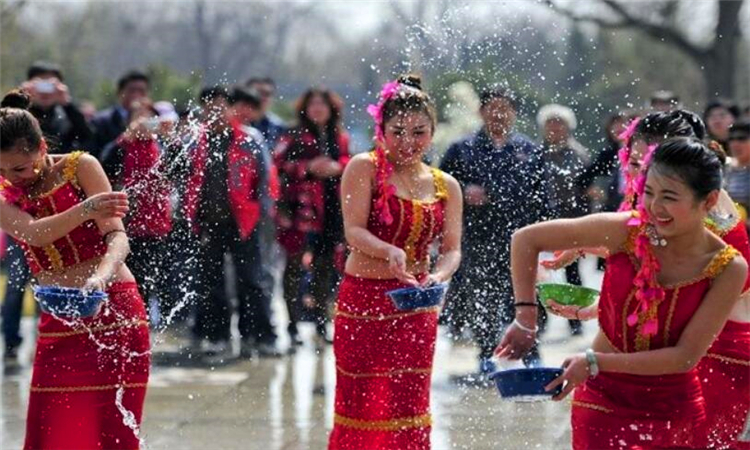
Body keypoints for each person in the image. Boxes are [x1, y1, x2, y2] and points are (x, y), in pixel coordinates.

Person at [497, 137, 748, 449]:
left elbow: (684, 357)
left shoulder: (728, 266)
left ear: (709, 201)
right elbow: (526, 239)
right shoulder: (626, 230)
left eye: (669, 197)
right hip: (603, 398)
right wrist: (525, 318)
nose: (654, 208)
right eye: (648, 193)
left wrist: (593, 362)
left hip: (673, 409)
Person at [0, 89, 150, 450]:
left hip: (115, 308)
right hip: (60, 321)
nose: (11, 177)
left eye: (18, 168)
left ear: (40, 148)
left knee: (114, 433)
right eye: (0, 168)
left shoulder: (81, 166)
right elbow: (34, 234)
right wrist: (86, 209)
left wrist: (100, 278)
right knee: (50, 432)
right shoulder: (1, 191)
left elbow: (118, 238)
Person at [328, 75, 462, 449]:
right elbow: (353, 231)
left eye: (419, 132)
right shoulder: (363, 167)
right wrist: (388, 250)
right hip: (365, 304)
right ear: (382, 130)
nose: (407, 142)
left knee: (409, 404)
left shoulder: (445, 185)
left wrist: (438, 274)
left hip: (416, 307)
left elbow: (452, 249)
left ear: (433, 131)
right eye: (398, 131)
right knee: (362, 403)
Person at [440, 84, 547, 375]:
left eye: (506, 108)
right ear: (481, 111)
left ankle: (530, 351)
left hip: (520, 238)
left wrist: (547, 241)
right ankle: (486, 352)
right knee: (482, 297)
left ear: (514, 113)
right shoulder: (461, 149)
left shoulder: (529, 150)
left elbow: (542, 198)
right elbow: (440, 190)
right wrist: (463, 190)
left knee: (524, 296)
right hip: (478, 236)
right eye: (493, 107)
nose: (499, 114)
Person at [184, 86, 280, 358]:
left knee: (251, 279)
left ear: (231, 109)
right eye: (209, 107)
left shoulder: (250, 139)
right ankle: (217, 336)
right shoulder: (195, 140)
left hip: (245, 220)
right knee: (211, 282)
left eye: (221, 106)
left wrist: (263, 215)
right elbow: (182, 174)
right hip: (207, 222)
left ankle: (259, 336)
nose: (215, 112)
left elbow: (265, 180)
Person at [274, 87, 350, 347]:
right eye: (313, 103)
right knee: (294, 268)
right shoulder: (292, 135)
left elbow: (349, 163)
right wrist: (307, 168)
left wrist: (338, 167)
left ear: (332, 109)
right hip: (298, 213)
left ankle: (321, 322)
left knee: (326, 269)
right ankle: (293, 325)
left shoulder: (340, 138)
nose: (318, 107)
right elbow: (277, 165)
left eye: (322, 103)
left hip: (331, 211)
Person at [98, 99, 174, 317]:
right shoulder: (120, 147)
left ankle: (149, 322)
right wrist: (123, 141)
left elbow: (183, 170)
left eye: (149, 117)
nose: (144, 122)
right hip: (126, 224)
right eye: (138, 116)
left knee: (155, 278)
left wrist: (168, 137)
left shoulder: (162, 146)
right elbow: (104, 171)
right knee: (128, 278)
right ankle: (128, 319)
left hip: (157, 225)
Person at [537, 104, 590, 335]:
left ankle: (575, 319)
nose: (555, 128)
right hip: (544, 220)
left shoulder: (579, 154)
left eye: (560, 123)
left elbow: (589, 189)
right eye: (551, 123)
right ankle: (540, 320)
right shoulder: (536, 153)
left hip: (572, 220)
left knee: (572, 272)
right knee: (539, 271)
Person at [21, 61, 93, 154]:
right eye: (40, 85)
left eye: (50, 85)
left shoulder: (67, 115)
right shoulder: (20, 110)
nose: (45, 92)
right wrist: (20, 99)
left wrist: (67, 104)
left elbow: (88, 139)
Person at [90, 70, 150, 159]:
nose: (136, 95)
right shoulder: (102, 121)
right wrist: (125, 139)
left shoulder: (153, 119)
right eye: (132, 90)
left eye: (141, 91)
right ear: (120, 92)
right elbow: (98, 156)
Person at [247, 77, 286, 149]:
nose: (262, 97)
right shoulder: (236, 123)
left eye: (267, 94)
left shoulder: (278, 127)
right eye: (258, 93)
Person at [726, 120, 750, 232]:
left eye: (742, 138)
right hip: (728, 230)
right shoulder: (723, 168)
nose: (735, 144)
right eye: (732, 139)